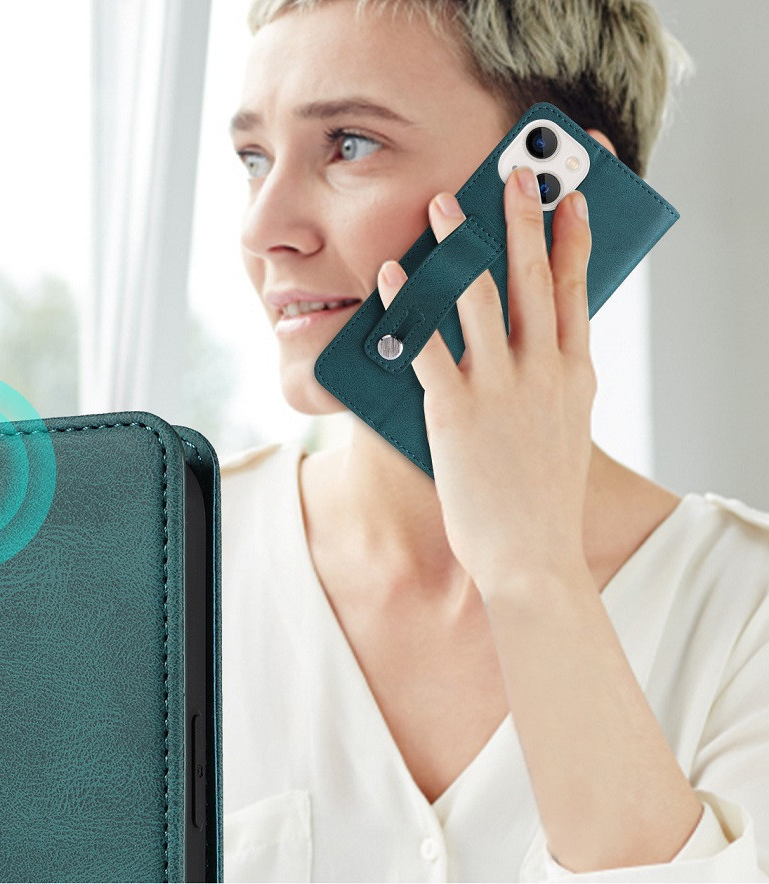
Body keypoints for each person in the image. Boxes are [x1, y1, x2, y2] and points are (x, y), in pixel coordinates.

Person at [218, 0, 769, 880]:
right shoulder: (166, 561)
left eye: (350, 144)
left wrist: (533, 571)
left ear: (561, 194)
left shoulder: (746, 612)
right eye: (253, 159)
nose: (262, 229)